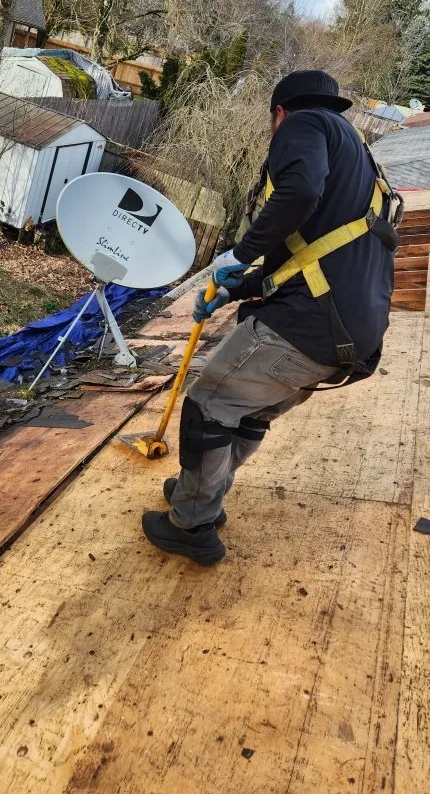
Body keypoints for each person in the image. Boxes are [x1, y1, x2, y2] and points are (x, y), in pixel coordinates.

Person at [142, 70, 400, 565]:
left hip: (310, 324)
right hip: (351, 333)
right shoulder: (359, 159)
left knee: (208, 405)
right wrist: (237, 287)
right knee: (247, 410)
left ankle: (192, 524)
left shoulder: (304, 123)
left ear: (279, 113)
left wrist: (240, 252)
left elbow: (298, 193)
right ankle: (202, 491)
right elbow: (313, 254)